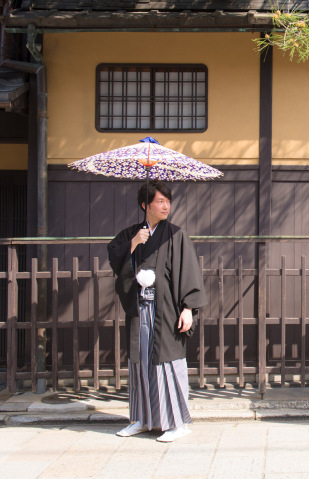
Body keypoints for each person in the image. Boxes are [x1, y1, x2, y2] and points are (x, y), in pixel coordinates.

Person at [107, 180, 207, 442]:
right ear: (145, 205)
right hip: (140, 310)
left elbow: (188, 272)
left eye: (168, 201)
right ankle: (142, 419)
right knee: (140, 363)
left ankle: (177, 423)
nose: (166, 206)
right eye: (160, 201)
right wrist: (133, 244)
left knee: (168, 364)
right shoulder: (131, 234)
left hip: (166, 311)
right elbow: (116, 262)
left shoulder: (176, 234)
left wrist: (188, 308)